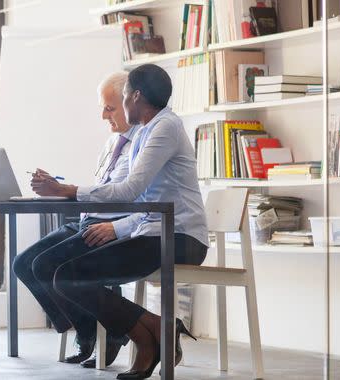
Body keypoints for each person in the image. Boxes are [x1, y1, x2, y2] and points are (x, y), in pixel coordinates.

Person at [31, 64, 209, 380]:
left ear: (135, 96)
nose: (123, 104)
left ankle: (150, 336)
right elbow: (138, 199)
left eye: (124, 96)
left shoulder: (165, 128)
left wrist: (67, 190)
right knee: (68, 275)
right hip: (152, 232)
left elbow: (130, 191)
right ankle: (154, 330)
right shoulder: (148, 129)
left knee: (70, 276)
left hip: (179, 238)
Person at [12, 72, 140, 369]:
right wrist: (55, 187)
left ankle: (102, 328)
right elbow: (101, 188)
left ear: (128, 103)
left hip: (110, 225)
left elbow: (124, 193)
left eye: (110, 108)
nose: (103, 115)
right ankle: (88, 327)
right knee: (23, 264)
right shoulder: (112, 143)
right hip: (86, 220)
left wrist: (65, 190)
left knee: (46, 266)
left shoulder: (142, 145)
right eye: (103, 107)